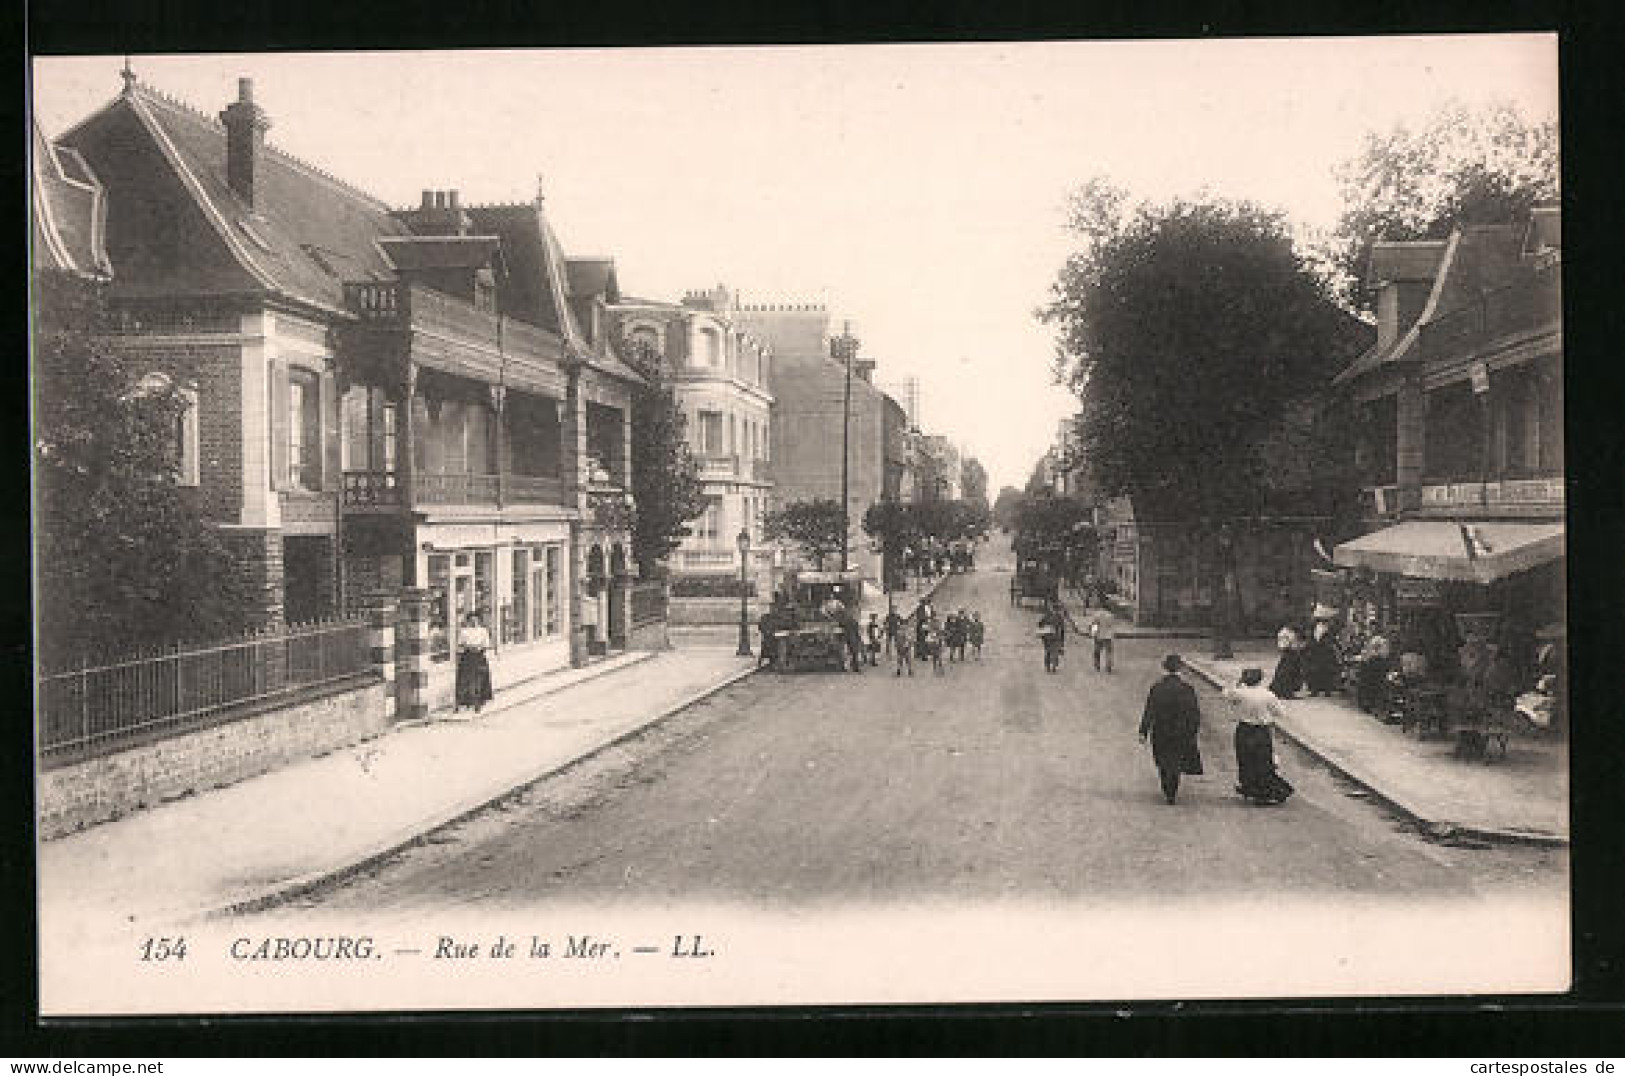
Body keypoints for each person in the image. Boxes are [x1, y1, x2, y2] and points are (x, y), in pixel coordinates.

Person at [1138, 653, 1204, 805]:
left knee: (1163, 759)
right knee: (1176, 759)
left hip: (1161, 729)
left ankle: (1166, 787)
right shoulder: (1187, 689)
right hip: (1181, 731)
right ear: (1180, 669)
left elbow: (1150, 710)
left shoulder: (1157, 688)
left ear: (1164, 668)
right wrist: (1193, 730)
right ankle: (1172, 789)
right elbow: (1194, 712)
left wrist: (1143, 731)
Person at [1223, 668, 1294, 806]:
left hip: (1244, 729)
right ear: (1260, 679)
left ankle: (1248, 786)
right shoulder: (1268, 695)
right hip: (1261, 731)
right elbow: (1280, 712)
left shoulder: (1239, 693)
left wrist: (1238, 683)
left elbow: (1226, 693)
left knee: (1245, 759)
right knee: (1263, 761)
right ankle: (1263, 792)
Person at [454, 612, 494, 713]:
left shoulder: (483, 631)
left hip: (479, 656)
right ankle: (461, 703)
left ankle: (478, 703)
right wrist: (467, 648)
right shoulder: (464, 632)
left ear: (478, 621)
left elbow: (487, 645)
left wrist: (479, 647)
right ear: (468, 621)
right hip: (467, 657)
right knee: (464, 680)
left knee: (479, 680)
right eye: (471, 620)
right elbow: (460, 645)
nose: (473, 622)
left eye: (475, 620)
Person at [1303, 619, 1341, 696]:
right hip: (1316, 652)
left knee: (1327, 671)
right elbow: (1311, 639)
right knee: (1315, 671)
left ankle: (1327, 690)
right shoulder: (1314, 628)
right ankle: (1315, 690)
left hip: (1326, 652)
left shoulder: (1330, 629)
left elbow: (1333, 640)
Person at [1269, 624, 1306, 699]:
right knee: (1289, 672)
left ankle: (1280, 690)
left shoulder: (1284, 632)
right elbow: (1290, 643)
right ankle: (1287, 691)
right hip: (1290, 651)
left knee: (1285, 671)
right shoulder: (1287, 633)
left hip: (1288, 651)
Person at [834, 602, 864, 674]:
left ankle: (851, 666)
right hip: (848, 636)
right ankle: (853, 667)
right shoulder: (846, 617)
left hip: (848, 636)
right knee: (852, 652)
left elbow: (841, 625)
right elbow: (854, 627)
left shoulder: (842, 617)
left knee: (850, 652)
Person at [1037, 602, 1066, 674]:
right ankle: (1052, 666)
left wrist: (1042, 633)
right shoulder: (1059, 617)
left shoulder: (1047, 616)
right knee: (1054, 652)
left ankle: (1049, 667)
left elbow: (1040, 624)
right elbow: (1062, 629)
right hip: (1054, 637)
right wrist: (1062, 640)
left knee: (1048, 652)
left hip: (1048, 637)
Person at [1089, 606, 1117, 673]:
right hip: (1108, 636)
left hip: (1099, 636)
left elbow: (1094, 625)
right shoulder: (1110, 615)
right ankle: (1108, 666)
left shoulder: (1097, 615)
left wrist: (1093, 634)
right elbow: (1112, 626)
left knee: (1097, 652)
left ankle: (1097, 665)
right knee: (1108, 652)